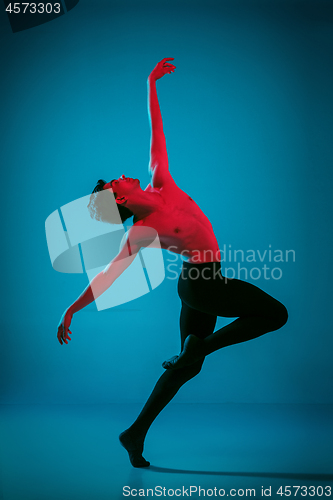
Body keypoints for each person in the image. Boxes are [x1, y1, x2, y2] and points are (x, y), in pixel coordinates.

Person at [57, 58, 288, 468]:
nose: (122, 176)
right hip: (201, 284)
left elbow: (156, 129)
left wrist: (150, 81)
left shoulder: (159, 177)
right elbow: (108, 276)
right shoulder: (142, 230)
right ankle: (199, 347)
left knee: (187, 368)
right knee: (276, 313)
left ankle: (134, 434)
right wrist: (73, 309)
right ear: (121, 199)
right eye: (116, 182)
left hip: (197, 284)